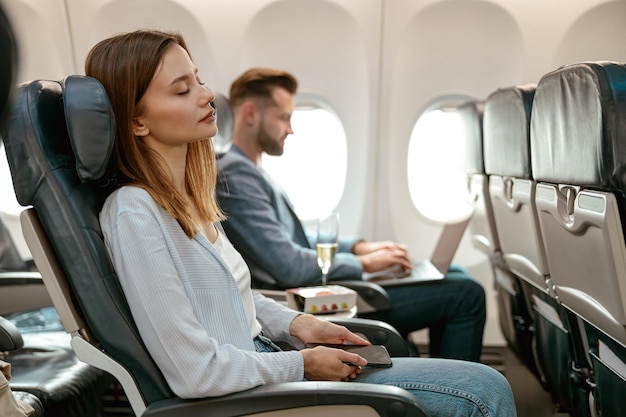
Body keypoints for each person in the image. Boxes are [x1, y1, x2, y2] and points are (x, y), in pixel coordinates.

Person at [88, 29, 516, 416]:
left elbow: (228, 303)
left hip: (266, 363)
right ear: (136, 121)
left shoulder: (185, 200)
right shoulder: (135, 214)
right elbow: (195, 373)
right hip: (250, 395)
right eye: (182, 90)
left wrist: (296, 325)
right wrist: (302, 361)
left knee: (477, 375)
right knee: (485, 392)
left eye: (199, 80)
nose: (207, 95)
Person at [216, 67, 486, 362]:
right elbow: (289, 265)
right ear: (251, 114)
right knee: (467, 295)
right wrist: (364, 263)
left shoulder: (253, 172)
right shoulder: (236, 175)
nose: (291, 129)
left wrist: (359, 246)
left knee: (455, 274)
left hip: (314, 287)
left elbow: (301, 241)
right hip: (301, 300)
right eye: (284, 117)